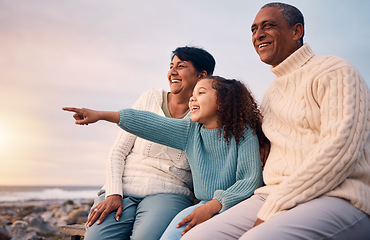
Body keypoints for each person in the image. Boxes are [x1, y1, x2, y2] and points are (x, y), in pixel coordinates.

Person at [179, 2, 370, 240]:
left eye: (268, 26)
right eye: (253, 29)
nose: (258, 34)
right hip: (271, 195)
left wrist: (275, 207)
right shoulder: (271, 94)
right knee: (193, 238)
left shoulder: (335, 72)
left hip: (338, 195)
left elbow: (340, 152)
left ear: (296, 31)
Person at [63, 75, 265, 239]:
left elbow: (249, 181)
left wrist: (214, 205)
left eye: (201, 93)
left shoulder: (244, 133)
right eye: (192, 94)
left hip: (236, 206)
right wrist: (101, 115)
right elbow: (149, 123)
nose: (192, 99)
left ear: (223, 102)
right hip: (204, 205)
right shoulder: (190, 131)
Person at [79, 46, 216, 240]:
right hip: (122, 191)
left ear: (202, 75)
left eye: (181, 66)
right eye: (171, 66)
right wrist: (113, 193)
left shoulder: (204, 117)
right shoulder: (150, 98)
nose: (172, 72)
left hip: (169, 194)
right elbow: (118, 151)